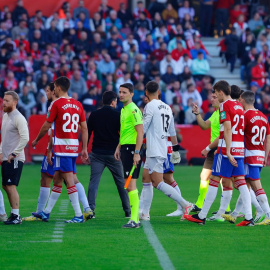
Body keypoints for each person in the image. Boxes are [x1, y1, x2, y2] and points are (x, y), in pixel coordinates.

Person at [184, 80, 254, 226]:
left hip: (225, 149)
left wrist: (227, 151)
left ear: (221, 92)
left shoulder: (224, 106)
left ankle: (202, 216)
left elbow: (227, 129)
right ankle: (248, 217)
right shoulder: (239, 106)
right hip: (239, 148)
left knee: (214, 180)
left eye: (215, 93)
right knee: (240, 181)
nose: (214, 95)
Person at [32, 76, 89, 223]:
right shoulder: (78, 104)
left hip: (62, 147)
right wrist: (84, 148)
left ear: (57, 87)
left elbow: (47, 125)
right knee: (57, 179)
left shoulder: (56, 104)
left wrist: (37, 139)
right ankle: (46, 212)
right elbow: (84, 127)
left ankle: (78, 214)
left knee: (69, 180)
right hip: (73, 147)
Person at [142, 81, 196, 219]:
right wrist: (176, 149)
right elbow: (172, 131)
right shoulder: (167, 107)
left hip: (155, 148)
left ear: (146, 93)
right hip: (162, 148)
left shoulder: (149, 106)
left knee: (158, 182)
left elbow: (143, 127)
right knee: (145, 178)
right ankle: (144, 212)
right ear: (159, 92)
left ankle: (185, 204)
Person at [223, 91, 270, 225]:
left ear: (242, 100)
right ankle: (235, 214)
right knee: (246, 185)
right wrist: (265, 156)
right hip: (260, 155)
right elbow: (268, 138)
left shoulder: (244, 116)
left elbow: (237, 133)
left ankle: (267, 213)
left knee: (255, 186)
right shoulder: (263, 116)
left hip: (249, 155)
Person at [87, 91, 130, 218]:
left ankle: (90, 210)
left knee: (94, 182)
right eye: (116, 101)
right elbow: (123, 134)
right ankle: (128, 210)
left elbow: (87, 134)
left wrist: (84, 149)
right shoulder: (118, 115)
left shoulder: (94, 115)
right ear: (113, 101)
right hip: (113, 154)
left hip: (97, 154)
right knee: (121, 183)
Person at [114, 83, 144, 228]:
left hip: (133, 149)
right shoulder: (123, 110)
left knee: (131, 185)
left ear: (132, 94)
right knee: (128, 185)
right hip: (126, 148)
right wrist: (118, 147)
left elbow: (140, 132)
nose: (121, 95)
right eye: (120, 92)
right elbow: (125, 131)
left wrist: (137, 153)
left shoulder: (133, 110)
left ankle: (135, 220)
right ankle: (134, 217)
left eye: (124, 92)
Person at [0, 91, 29, 224]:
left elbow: (25, 138)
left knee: (10, 186)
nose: (4, 103)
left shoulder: (19, 117)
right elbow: (5, 138)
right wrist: (1, 152)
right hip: (6, 157)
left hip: (15, 158)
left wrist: (14, 153)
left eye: (7, 101)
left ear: (14, 102)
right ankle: (13, 213)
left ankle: (16, 216)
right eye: (4, 100)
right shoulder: (6, 116)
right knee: (6, 185)